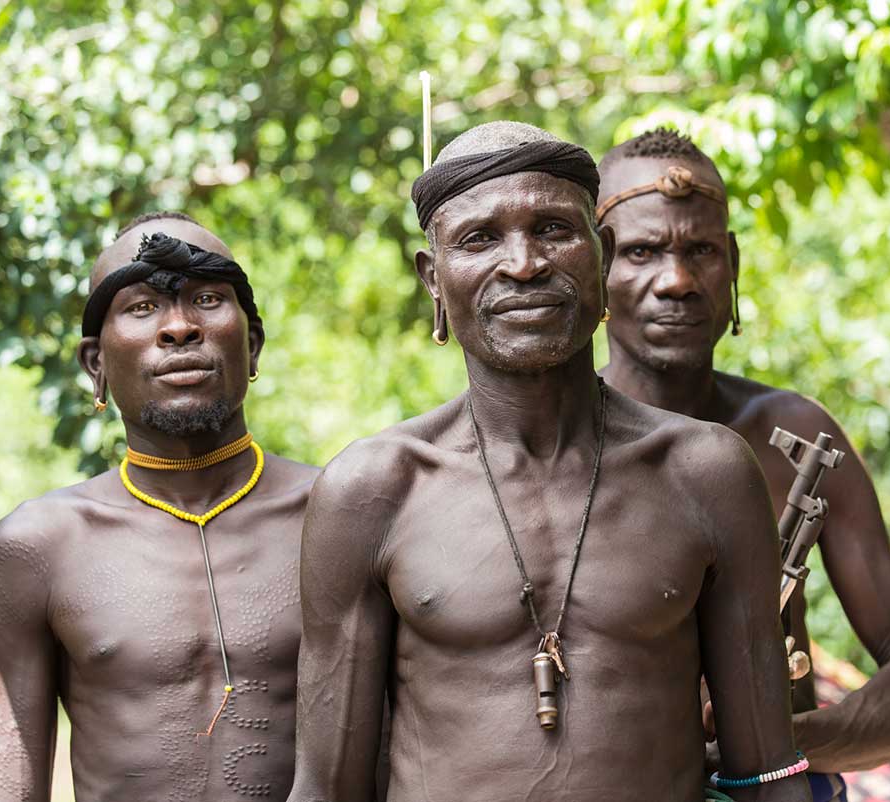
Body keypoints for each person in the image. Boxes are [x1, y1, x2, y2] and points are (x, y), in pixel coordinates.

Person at [287, 122, 810, 802]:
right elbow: (327, 791)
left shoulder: (706, 473)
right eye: (479, 239)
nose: (524, 264)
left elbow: (768, 777)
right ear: (433, 277)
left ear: (604, 254)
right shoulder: (373, 491)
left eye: (554, 230)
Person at [596, 128, 890, 801]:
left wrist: (774, 744)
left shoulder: (794, 437)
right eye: (643, 251)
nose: (676, 281)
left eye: (700, 251)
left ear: (732, 265)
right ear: (595, 270)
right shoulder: (552, 446)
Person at [0, 213, 319, 802]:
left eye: (208, 299)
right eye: (142, 307)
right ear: (96, 365)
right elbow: (14, 755)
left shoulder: (338, 513)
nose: (180, 327)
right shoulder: (39, 547)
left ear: (253, 343)